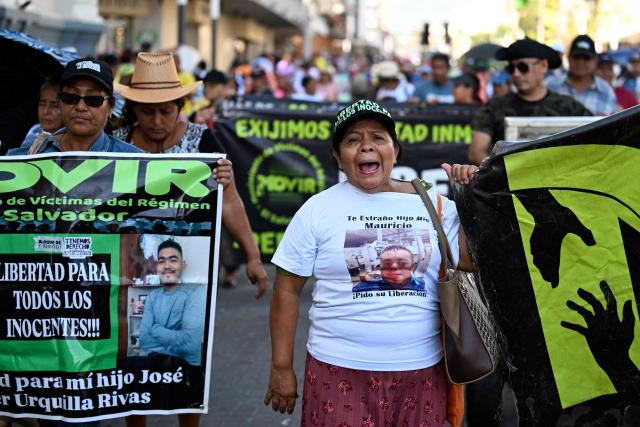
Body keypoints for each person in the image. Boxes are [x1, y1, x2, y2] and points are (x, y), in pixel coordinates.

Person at [264, 99, 472, 426]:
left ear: (395, 150)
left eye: (378, 138)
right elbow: (286, 292)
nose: (366, 147)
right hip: (336, 371)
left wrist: (478, 193)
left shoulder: (434, 204)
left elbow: (473, 260)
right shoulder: (317, 210)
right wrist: (281, 367)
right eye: (352, 140)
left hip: (421, 372)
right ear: (337, 156)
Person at [8, 57, 141, 427]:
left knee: (81, 412)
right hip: (38, 306)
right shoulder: (29, 157)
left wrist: (215, 180)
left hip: (99, 305)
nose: (81, 106)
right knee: (47, 406)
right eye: (71, 97)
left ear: (110, 107)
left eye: (94, 99)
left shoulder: (134, 163)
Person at [113, 52, 268, 300]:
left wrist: (253, 257)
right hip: (129, 261)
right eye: (146, 112)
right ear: (134, 110)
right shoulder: (117, 143)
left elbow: (229, 200)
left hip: (189, 262)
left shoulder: (202, 141)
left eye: (165, 112)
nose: (156, 121)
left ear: (180, 107)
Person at [468, 38, 592, 166]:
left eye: (523, 67)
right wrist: (502, 174)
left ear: (543, 66)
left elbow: (594, 144)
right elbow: (476, 152)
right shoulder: (494, 107)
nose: (516, 74)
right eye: (511, 68)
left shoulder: (570, 107)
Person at [138, 239, 204, 366]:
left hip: (186, 371)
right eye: (161, 261)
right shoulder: (153, 296)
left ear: (183, 265)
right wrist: (178, 340)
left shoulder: (196, 292)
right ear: (157, 267)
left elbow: (190, 345)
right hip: (157, 371)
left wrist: (156, 329)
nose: (167, 266)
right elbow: (144, 341)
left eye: (173, 260)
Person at [546, 35, 617, 115]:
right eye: (576, 57)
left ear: (595, 61)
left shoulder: (606, 92)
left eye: (586, 58)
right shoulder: (550, 85)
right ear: (569, 58)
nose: (580, 62)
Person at [352, 245, 426, 292]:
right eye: (387, 264)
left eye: (403, 263)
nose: (394, 267)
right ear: (380, 268)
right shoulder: (364, 288)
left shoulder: (423, 286)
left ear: (412, 267)